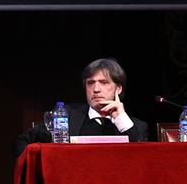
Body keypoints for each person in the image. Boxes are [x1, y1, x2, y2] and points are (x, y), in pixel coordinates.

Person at [15, 58, 149, 156]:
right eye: (90, 83)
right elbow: (22, 141)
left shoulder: (137, 126)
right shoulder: (65, 116)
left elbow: (142, 157)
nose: (96, 89)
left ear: (118, 89)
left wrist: (120, 118)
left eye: (103, 82)